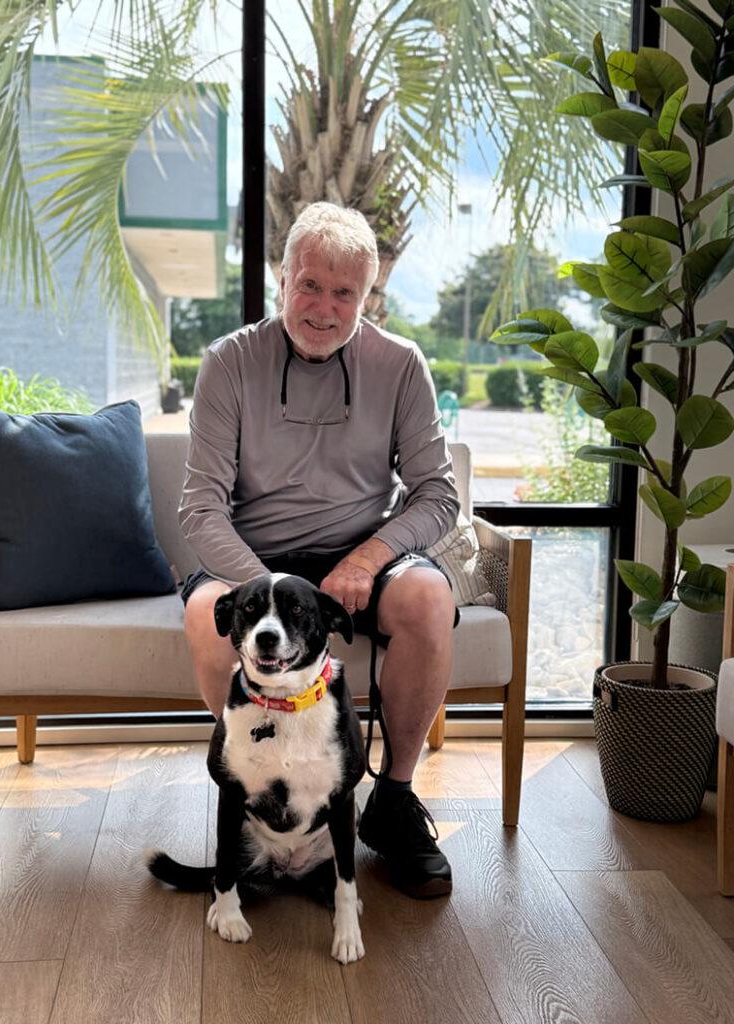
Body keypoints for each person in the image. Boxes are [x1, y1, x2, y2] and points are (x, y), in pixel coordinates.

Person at [179, 201, 460, 899]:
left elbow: (438, 497)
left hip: (358, 563)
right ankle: (261, 801)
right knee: (203, 615)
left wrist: (369, 558)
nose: (325, 308)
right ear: (283, 279)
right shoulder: (229, 362)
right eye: (310, 285)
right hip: (253, 559)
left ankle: (391, 805)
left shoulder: (400, 366)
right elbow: (200, 509)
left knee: (428, 596)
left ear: (369, 297)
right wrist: (273, 592)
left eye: (345, 293)